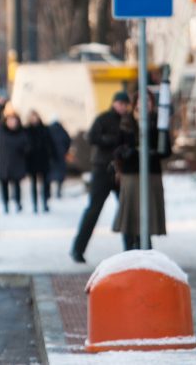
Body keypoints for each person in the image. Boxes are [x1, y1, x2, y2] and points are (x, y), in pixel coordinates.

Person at [70, 91, 130, 263]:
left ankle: (130, 249)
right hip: (102, 169)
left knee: (126, 211)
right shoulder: (103, 118)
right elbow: (92, 137)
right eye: (121, 104)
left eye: (125, 104)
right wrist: (110, 140)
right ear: (114, 103)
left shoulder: (127, 121)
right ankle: (78, 249)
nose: (123, 107)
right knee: (93, 210)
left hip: (120, 171)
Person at [113, 92, 170, 250]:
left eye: (148, 101)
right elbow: (117, 148)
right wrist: (128, 152)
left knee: (148, 214)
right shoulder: (127, 121)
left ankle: (145, 246)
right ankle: (129, 247)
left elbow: (166, 149)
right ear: (136, 103)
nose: (145, 104)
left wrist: (154, 151)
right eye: (141, 101)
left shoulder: (159, 122)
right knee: (131, 214)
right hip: (132, 173)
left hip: (152, 173)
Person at [0, 102, 29, 213]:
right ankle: (5, 204)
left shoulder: (21, 133)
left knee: (17, 185)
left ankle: (18, 203)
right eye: (9, 120)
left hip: (16, 163)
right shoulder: (1, 130)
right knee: (4, 186)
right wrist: (1, 106)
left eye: (13, 120)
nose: (12, 122)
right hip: (4, 163)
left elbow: (26, 146)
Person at [24, 110, 54, 213]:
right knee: (34, 184)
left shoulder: (45, 129)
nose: (34, 119)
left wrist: (51, 155)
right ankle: (35, 204)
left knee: (45, 183)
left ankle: (45, 202)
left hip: (43, 159)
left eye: (35, 116)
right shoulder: (27, 130)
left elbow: (50, 143)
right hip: (32, 160)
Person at [47, 116, 71, 199]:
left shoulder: (48, 130)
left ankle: (49, 193)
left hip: (51, 156)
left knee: (50, 175)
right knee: (60, 175)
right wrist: (65, 150)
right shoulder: (62, 130)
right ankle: (58, 192)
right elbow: (68, 140)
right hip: (60, 155)